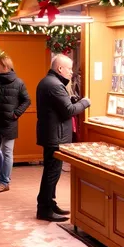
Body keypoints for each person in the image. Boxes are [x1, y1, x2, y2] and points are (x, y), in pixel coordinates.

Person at [36, 54, 90, 222]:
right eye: (69, 69)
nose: (71, 72)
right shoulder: (55, 85)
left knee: (52, 172)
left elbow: (61, 106)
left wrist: (72, 100)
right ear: (60, 69)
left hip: (52, 134)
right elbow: (68, 111)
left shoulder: (50, 82)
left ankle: (50, 203)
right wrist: (85, 102)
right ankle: (44, 208)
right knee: (52, 173)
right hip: (55, 137)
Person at [0, 54, 31, 193]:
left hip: (9, 123)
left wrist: (16, 113)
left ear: (5, 67)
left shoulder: (18, 83)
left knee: (7, 152)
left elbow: (27, 100)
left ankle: (5, 182)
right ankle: (2, 176)